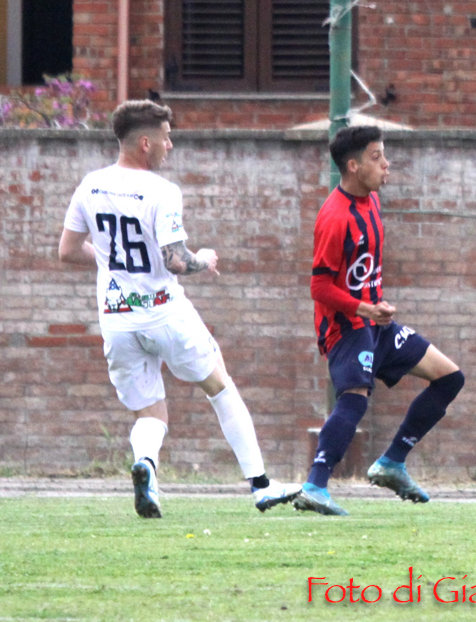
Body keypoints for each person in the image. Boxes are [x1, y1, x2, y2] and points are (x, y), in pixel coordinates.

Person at [59, 100, 301, 518]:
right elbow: (176, 261)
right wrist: (204, 259)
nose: (170, 145)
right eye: (166, 138)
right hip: (165, 313)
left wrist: (111, 262)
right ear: (145, 143)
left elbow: (67, 251)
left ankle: (146, 465)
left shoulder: (90, 186)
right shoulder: (162, 191)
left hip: (117, 318)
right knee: (220, 385)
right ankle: (261, 486)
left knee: (150, 410)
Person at [293, 125, 465, 516]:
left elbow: (361, 270)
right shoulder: (335, 217)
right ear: (353, 166)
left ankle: (392, 462)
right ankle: (314, 487)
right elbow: (319, 287)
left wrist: (375, 305)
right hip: (346, 328)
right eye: (377, 157)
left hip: (376, 325)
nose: (386, 164)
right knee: (354, 399)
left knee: (449, 378)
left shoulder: (371, 202)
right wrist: (364, 309)